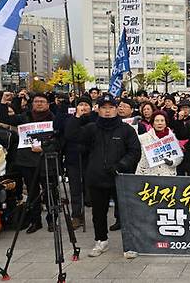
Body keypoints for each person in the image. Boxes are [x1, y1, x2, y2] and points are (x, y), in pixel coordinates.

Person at [66, 93, 141, 257]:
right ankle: (101, 241)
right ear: (98, 110)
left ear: (116, 109)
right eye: (103, 108)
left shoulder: (126, 129)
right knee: (98, 213)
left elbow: (134, 152)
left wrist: (121, 166)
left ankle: (130, 244)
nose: (107, 111)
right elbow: (72, 136)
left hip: (120, 178)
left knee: (125, 213)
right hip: (97, 178)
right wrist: (78, 116)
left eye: (111, 108)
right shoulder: (91, 128)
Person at [0, 93, 55, 234]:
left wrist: (45, 148)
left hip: (46, 159)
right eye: (36, 101)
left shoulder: (54, 119)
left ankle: (52, 219)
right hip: (27, 161)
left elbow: (60, 139)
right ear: (32, 104)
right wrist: (4, 103)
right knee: (32, 192)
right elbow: (5, 118)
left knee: (49, 191)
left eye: (42, 101)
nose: (39, 104)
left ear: (48, 104)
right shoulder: (25, 117)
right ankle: (36, 221)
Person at [63, 96, 94, 229]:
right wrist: (77, 117)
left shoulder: (95, 119)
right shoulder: (70, 120)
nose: (84, 107)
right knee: (75, 190)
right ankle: (76, 215)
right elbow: (69, 134)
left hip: (91, 159)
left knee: (91, 188)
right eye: (81, 104)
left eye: (86, 105)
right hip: (73, 159)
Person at [135, 111, 183, 176]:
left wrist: (172, 162)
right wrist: (134, 125)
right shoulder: (144, 137)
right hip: (148, 174)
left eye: (162, 120)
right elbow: (132, 138)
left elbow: (179, 157)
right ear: (153, 123)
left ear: (166, 123)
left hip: (167, 174)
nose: (159, 123)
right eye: (157, 121)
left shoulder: (172, 138)